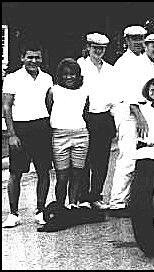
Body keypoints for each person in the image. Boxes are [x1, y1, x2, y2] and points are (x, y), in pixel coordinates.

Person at [2, 41, 54, 227]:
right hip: (21, 128)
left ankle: (40, 210)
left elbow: (49, 103)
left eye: (37, 57)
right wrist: (12, 134)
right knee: (16, 172)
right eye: (29, 57)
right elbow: (6, 107)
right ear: (22, 58)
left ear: (41, 58)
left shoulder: (47, 78)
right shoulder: (12, 78)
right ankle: (13, 214)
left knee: (43, 171)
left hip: (42, 127)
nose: (33, 60)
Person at [109, 25, 154, 214]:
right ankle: (117, 201)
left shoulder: (147, 61)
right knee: (128, 157)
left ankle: (131, 199)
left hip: (146, 112)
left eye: (141, 38)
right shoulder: (124, 63)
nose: (138, 42)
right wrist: (139, 117)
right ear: (126, 41)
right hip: (130, 114)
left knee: (146, 157)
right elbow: (129, 96)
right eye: (134, 39)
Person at [77, 33, 116, 210]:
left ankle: (96, 196)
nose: (98, 51)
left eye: (101, 48)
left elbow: (116, 96)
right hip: (85, 117)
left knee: (101, 160)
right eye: (95, 48)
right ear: (88, 47)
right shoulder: (80, 66)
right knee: (84, 159)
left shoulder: (110, 69)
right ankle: (82, 196)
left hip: (104, 117)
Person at [46, 58, 90, 209]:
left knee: (77, 173)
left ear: (78, 75)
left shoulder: (84, 91)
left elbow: (85, 113)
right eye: (65, 74)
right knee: (62, 175)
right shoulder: (54, 90)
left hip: (80, 135)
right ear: (60, 75)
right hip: (59, 136)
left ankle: (72, 204)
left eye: (72, 74)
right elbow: (49, 109)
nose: (69, 77)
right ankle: (59, 207)